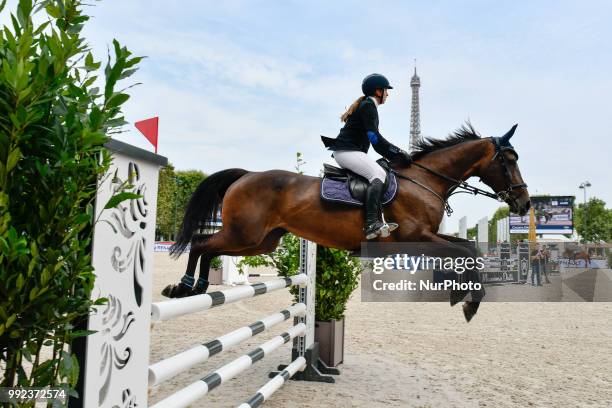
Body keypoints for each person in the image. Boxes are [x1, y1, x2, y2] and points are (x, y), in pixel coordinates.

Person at [321, 73, 412, 239]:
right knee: (378, 174)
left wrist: (394, 153)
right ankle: (371, 223)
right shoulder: (368, 106)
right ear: (378, 91)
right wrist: (397, 152)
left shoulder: (367, 105)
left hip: (348, 151)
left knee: (380, 170)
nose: (388, 94)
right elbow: (375, 139)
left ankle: (379, 219)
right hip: (347, 151)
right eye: (386, 90)